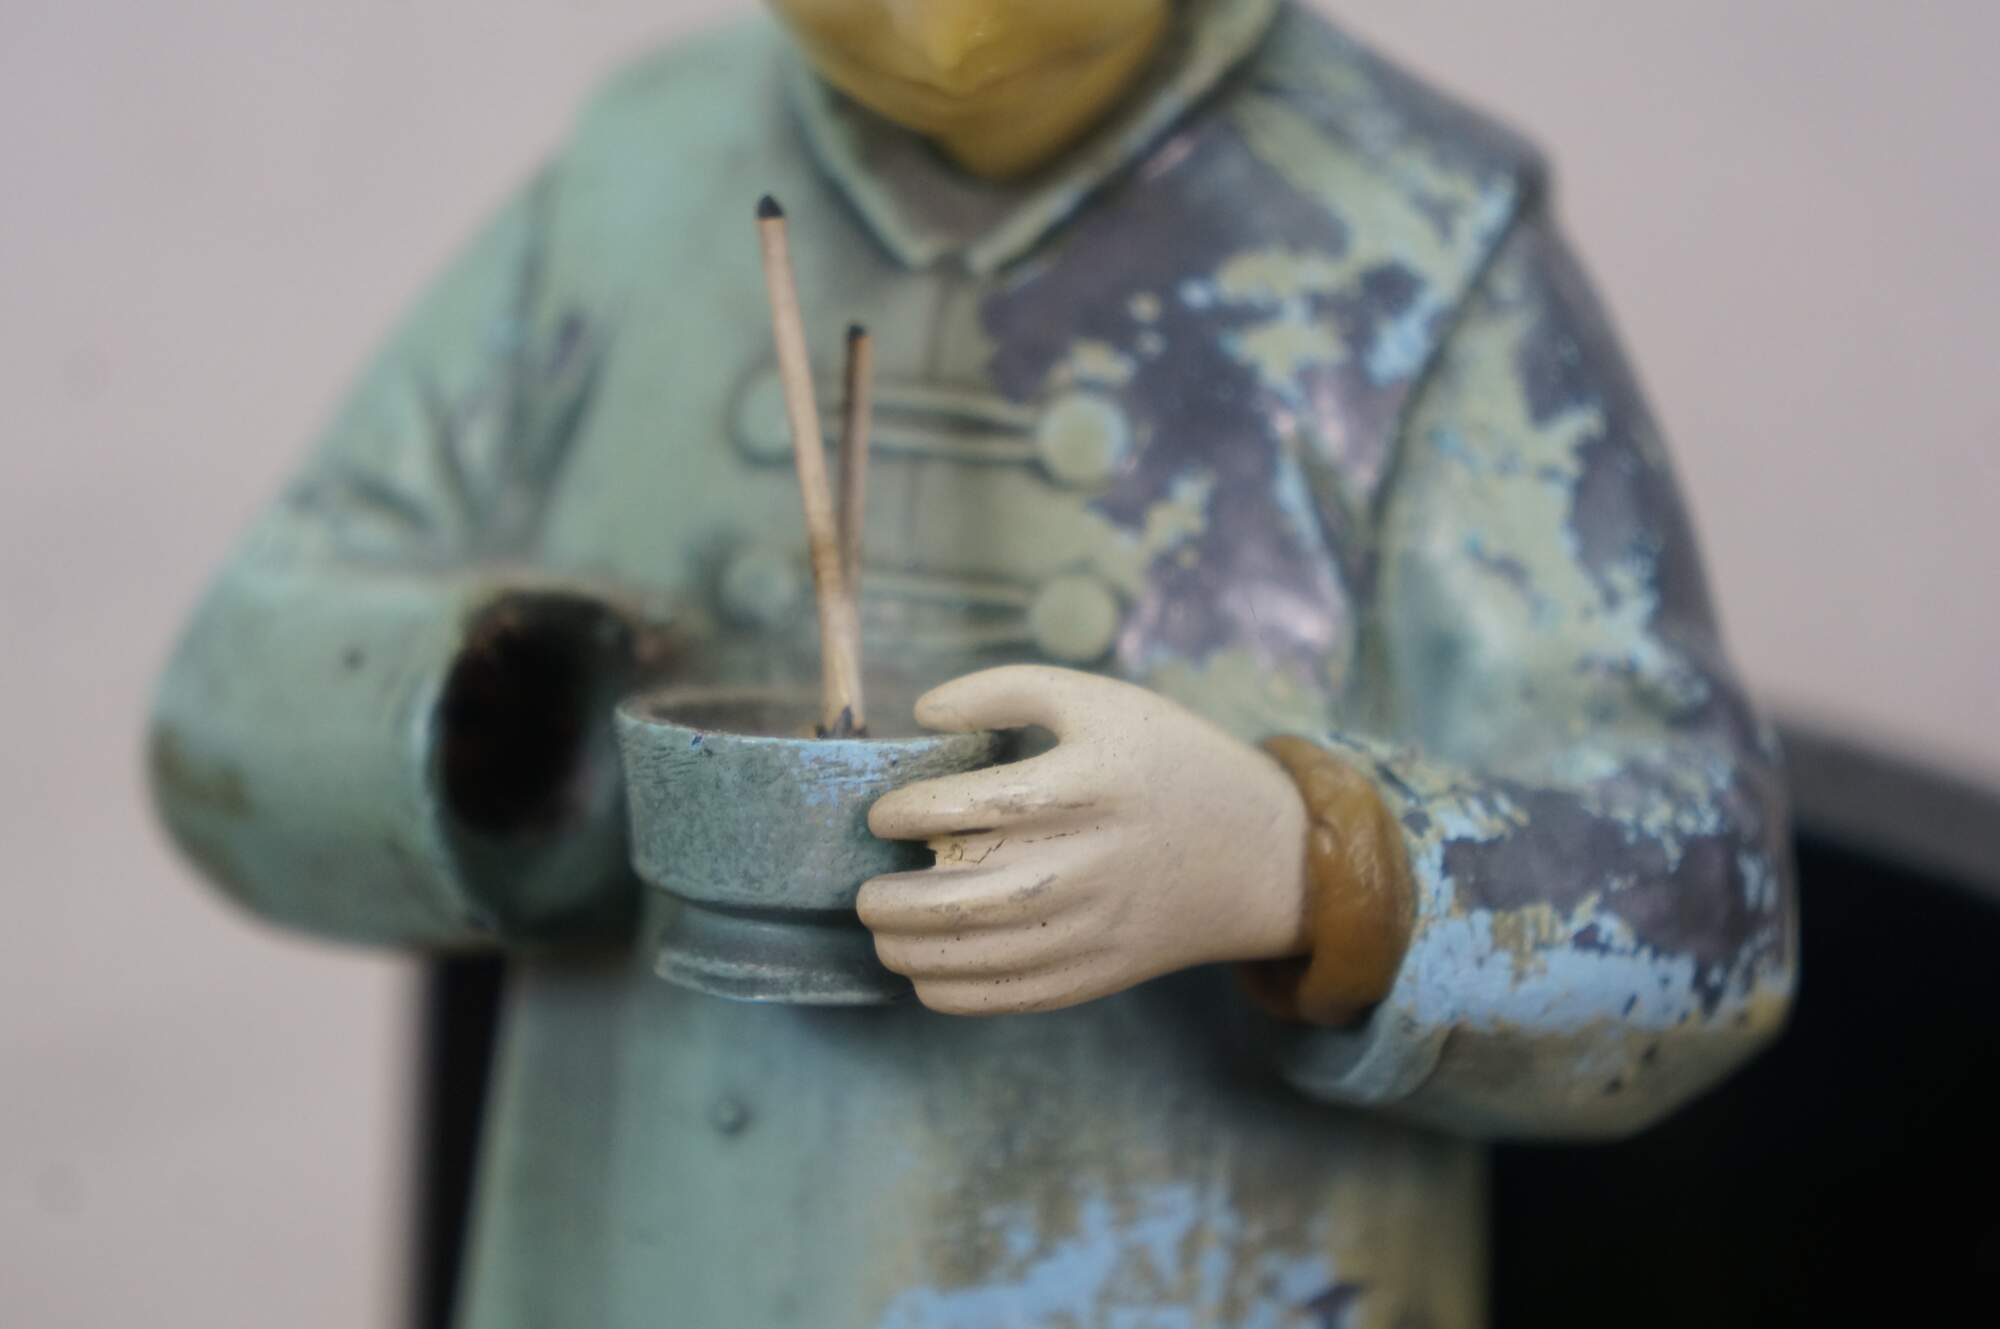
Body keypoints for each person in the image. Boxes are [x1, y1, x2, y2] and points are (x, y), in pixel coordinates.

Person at [149, 1, 1797, 1324]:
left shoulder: (1417, 239)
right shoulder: (635, 175)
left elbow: (1709, 903)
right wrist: (530, 732)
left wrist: (1306, 862)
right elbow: (235, 695)